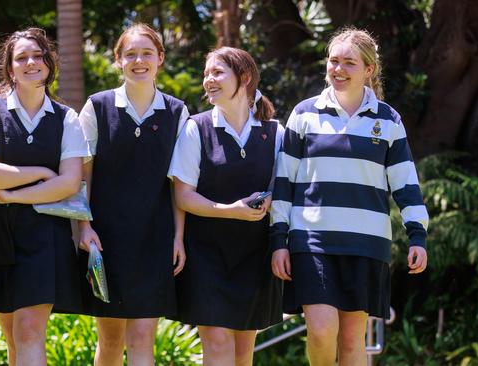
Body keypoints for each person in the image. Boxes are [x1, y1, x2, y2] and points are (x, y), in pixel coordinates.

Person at [270, 27, 429, 366]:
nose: (338, 69)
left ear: (369, 70)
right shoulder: (304, 114)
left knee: (354, 339)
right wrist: (278, 239)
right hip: (312, 241)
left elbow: (405, 182)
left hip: (366, 243)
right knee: (322, 329)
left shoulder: (388, 120)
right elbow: (283, 182)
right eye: (333, 61)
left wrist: (417, 234)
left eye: (349, 63)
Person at [0, 27, 89, 366]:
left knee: (30, 330)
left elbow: (70, 183)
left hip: (45, 235)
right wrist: (43, 173)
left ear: (49, 64)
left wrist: (13, 196)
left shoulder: (67, 118)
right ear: (9, 68)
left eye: (38, 56)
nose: (30, 62)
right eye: (21, 58)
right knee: (12, 336)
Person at [77, 23, 189, 365]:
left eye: (146, 53)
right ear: (118, 61)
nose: (138, 61)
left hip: (155, 239)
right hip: (105, 240)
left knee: (143, 337)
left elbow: (179, 184)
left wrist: (179, 237)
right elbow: (83, 177)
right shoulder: (96, 107)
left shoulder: (177, 112)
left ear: (160, 59)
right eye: (130, 54)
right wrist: (84, 228)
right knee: (109, 340)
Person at [169, 46, 284, 366]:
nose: (208, 80)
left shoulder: (276, 133)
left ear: (244, 78)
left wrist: (270, 201)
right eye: (206, 74)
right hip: (207, 256)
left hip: (256, 254)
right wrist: (231, 210)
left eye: (217, 73)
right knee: (217, 344)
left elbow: (286, 191)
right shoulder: (196, 128)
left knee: (243, 351)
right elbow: (183, 196)